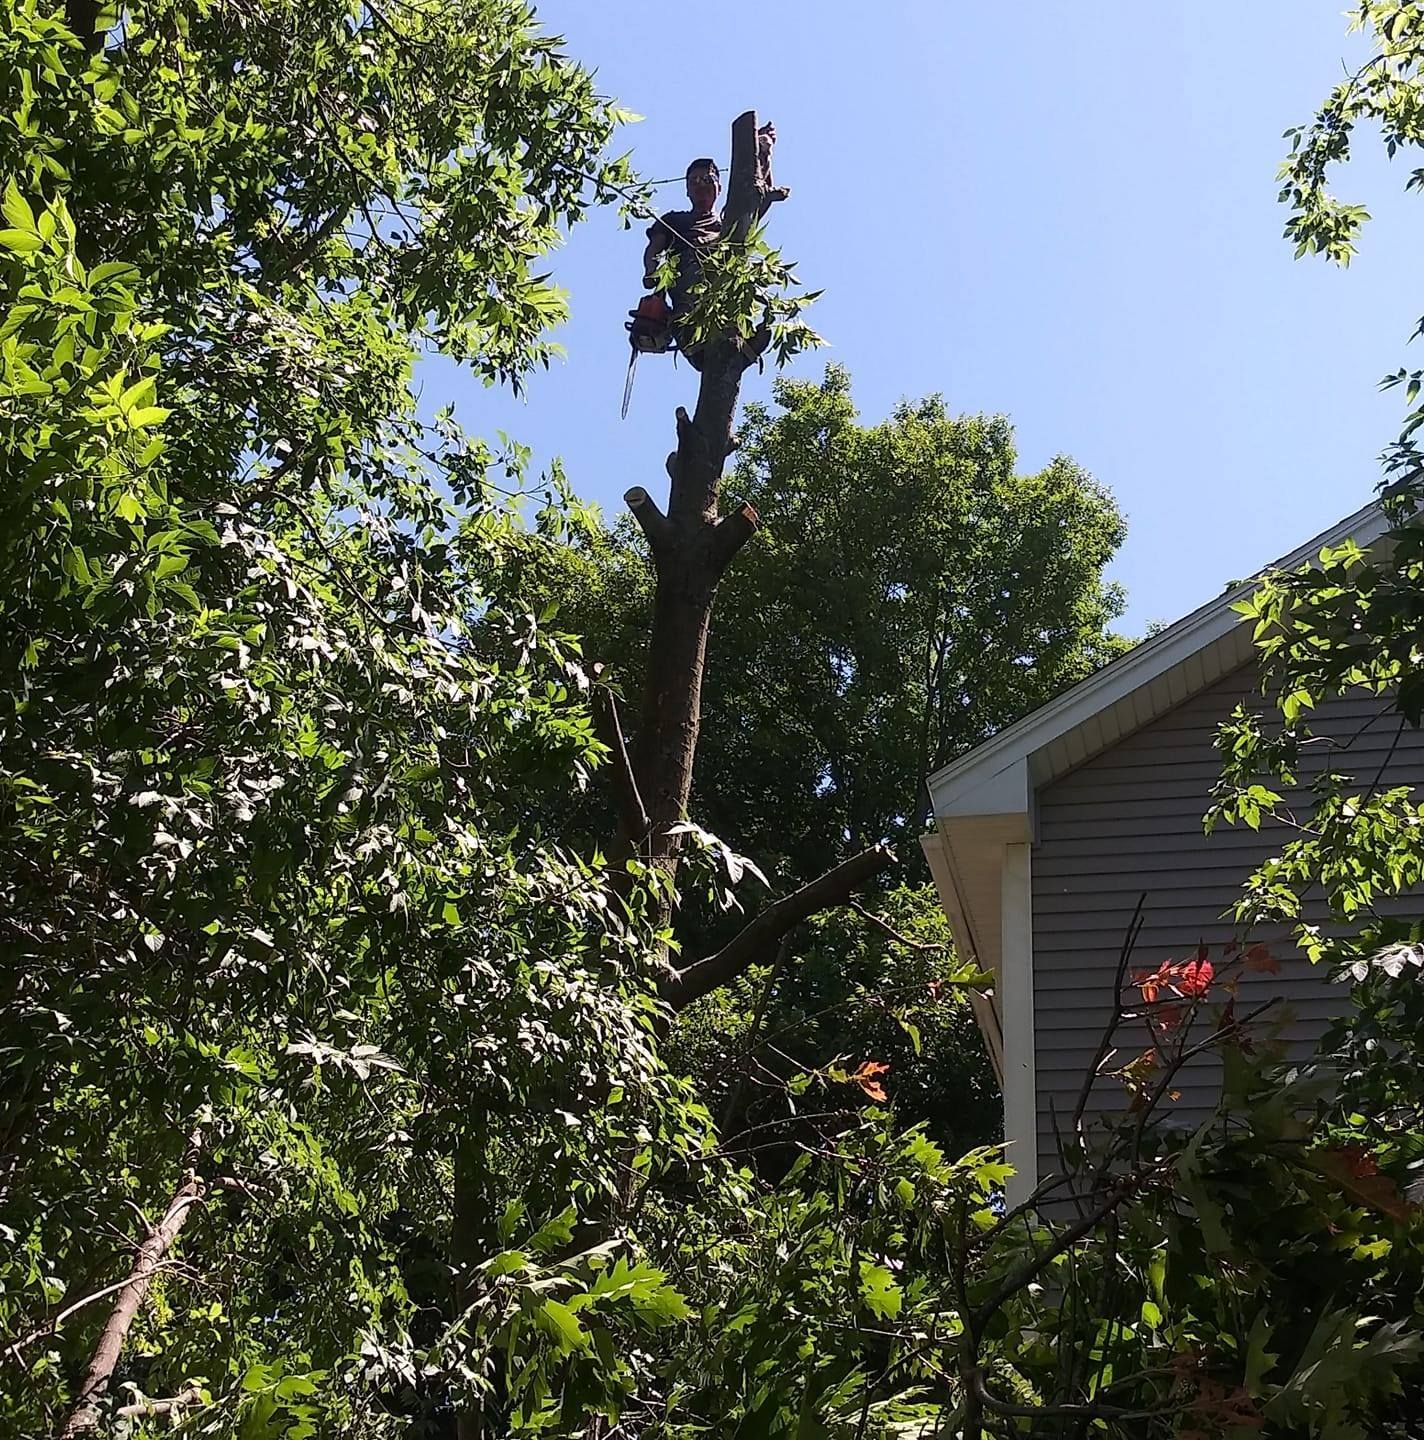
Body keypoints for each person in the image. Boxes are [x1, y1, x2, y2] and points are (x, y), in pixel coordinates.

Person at [642, 157, 723, 368]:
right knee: (687, 326)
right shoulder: (674, 221)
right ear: (687, 190)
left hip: (720, 281)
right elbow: (654, 248)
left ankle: (738, 344)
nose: (700, 184)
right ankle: (695, 345)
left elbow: (753, 202)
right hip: (687, 277)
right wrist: (652, 271)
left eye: (706, 179)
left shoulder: (728, 223)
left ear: (718, 187)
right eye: (693, 181)